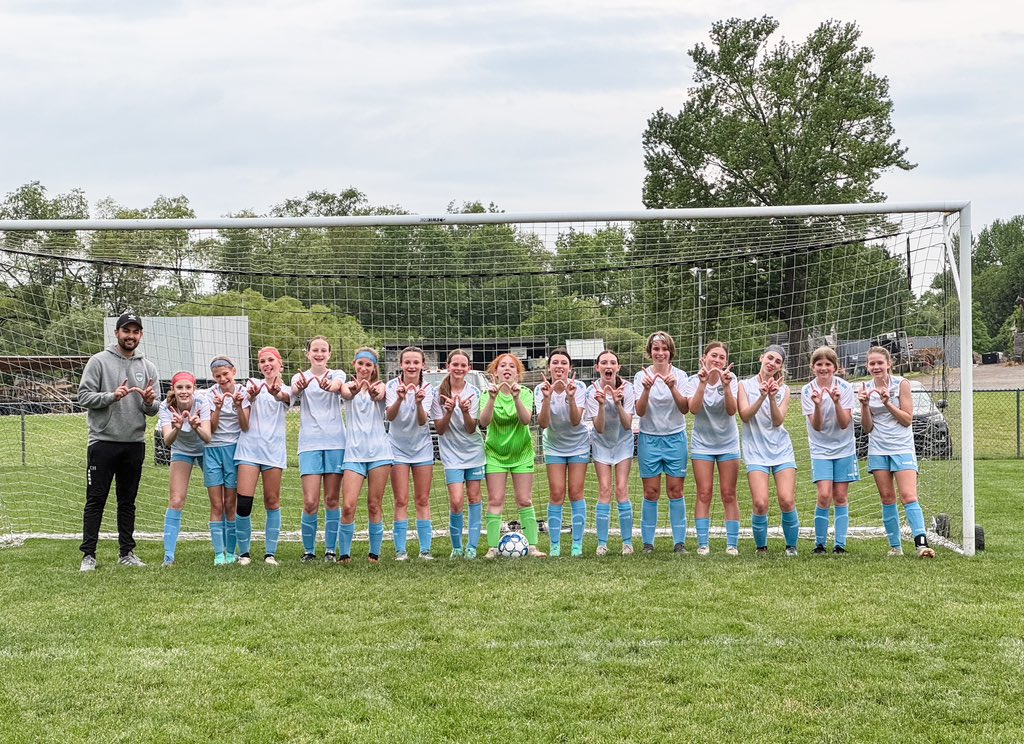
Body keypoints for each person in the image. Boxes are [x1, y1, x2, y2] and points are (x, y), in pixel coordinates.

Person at [78, 312, 159, 572]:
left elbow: (154, 408)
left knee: (128, 501)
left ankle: (127, 552)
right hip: (103, 442)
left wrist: (148, 402)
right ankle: (88, 555)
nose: (131, 336)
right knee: (96, 499)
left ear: (141, 335)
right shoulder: (98, 361)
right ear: (117, 333)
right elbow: (83, 396)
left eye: (136, 332)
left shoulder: (148, 367)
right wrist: (112, 396)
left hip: (134, 443)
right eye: (126, 331)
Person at [858, 346, 936, 558]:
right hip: (878, 449)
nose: (876, 367)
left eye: (879, 363)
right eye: (872, 363)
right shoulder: (865, 387)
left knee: (909, 496)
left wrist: (888, 403)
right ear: (867, 366)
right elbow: (867, 427)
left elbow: (907, 419)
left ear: (889, 364)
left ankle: (921, 544)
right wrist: (864, 405)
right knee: (887, 498)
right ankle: (895, 547)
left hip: (901, 447)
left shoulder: (902, 384)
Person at [479, 353, 545, 558]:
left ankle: (532, 546)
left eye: (512, 367)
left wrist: (516, 398)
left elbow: (526, 420)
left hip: (522, 453)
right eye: (502, 366)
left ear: (518, 373)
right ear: (495, 372)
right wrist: (491, 399)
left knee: (524, 500)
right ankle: (492, 548)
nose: (507, 369)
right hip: (495, 454)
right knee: (495, 500)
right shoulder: (486, 394)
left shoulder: (525, 393)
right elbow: (484, 422)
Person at [737, 344, 800, 557]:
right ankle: (761, 548)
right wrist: (762, 395)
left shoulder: (784, 389)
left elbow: (777, 420)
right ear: (761, 357)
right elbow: (744, 415)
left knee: (787, 500)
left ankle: (791, 547)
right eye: (770, 358)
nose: (772, 363)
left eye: (778, 361)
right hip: (755, 451)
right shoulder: (744, 385)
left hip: (781, 450)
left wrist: (772, 397)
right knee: (760, 502)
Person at [291, 336, 347, 563]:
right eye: (315, 350)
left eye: (323, 350)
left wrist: (330, 386)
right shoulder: (299, 377)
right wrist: (300, 387)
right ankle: (309, 551)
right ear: (308, 354)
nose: (319, 353)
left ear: (329, 354)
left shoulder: (337, 374)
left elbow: (338, 386)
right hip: (309, 444)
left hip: (335, 443)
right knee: (310, 501)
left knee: (332, 499)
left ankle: (330, 550)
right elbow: (292, 392)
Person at [234, 346, 291, 566]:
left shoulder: (288, 388)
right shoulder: (251, 386)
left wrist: (275, 393)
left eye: (270, 360)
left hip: (274, 452)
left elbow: (285, 398)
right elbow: (244, 424)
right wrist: (245, 402)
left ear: (280, 364)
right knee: (244, 503)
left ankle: (270, 553)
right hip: (249, 451)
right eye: (262, 361)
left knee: (272, 501)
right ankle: (245, 553)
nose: (266, 364)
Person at [633, 331, 689, 554]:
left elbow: (685, 408)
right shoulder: (641, 377)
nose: (660, 353)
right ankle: (648, 543)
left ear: (670, 352)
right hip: (649, 438)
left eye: (664, 349)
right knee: (651, 492)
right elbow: (639, 410)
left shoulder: (681, 376)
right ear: (650, 352)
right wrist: (646, 389)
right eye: (656, 349)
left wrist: (673, 386)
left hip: (675, 438)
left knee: (676, 490)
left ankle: (680, 543)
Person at [336, 346, 392, 564]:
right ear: (354, 364)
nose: (364, 368)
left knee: (374, 504)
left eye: (368, 365)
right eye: (361, 364)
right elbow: (347, 393)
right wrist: (358, 389)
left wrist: (370, 391)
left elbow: (379, 395)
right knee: (348, 505)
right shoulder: (347, 386)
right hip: (354, 454)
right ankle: (344, 554)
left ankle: (374, 554)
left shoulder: (381, 386)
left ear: (374, 367)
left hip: (379, 453)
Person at [685, 341, 741, 556]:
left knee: (729, 493)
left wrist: (726, 386)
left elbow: (731, 411)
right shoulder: (693, 380)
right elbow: (693, 409)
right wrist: (702, 384)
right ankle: (703, 544)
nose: (717, 360)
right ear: (704, 357)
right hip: (702, 444)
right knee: (704, 493)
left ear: (725, 362)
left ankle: (732, 544)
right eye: (713, 356)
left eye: (721, 357)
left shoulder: (732, 380)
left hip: (728, 443)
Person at [429, 349, 486, 560]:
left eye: (463, 365)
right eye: (455, 365)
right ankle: (456, 547)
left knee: (474, 497)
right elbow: (440, 429)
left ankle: (471, 547)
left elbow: (472, 428)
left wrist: (464, 411)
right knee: (456, 501)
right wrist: (449, 410)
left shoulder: (475, 392)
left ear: (469, 369)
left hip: (474, 452)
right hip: (451, 455)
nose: (459, 368)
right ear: (448, 366)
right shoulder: (438, 392)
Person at [801, 346, 858, 555]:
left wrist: (836, 402)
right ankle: (820, 544)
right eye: (819, 364)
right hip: (820, 450)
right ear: (812, 367)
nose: (823, 368)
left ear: (836, 367)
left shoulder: (845, 388)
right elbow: (817, 426)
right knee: (824, 494)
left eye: (827, 364)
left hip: (844, 448)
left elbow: (844, 423)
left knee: (840, 496)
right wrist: (817, 405)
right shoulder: (808, 391)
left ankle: (840, 545)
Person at [536, 348, 589, 557]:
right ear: (549, 367)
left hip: (578, 445)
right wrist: (548, 398)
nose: (559, 366)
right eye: (555, 362)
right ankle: (555, 545)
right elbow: (543, 423)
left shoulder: (580, 387)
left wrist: (571, 397)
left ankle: (577, 544)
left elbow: (576, 421)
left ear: (569, 368)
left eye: (563, 363)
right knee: (556, 493)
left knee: (576, 492)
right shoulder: (541, 388)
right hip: (554, 446)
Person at [386, 346, 436, 561]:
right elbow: (390, 416)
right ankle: (401, 551)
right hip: (397, 448)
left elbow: (423, 421)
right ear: (401, 364)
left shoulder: (428, 388)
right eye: (408, 362)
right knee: (401, 500)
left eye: (416, 362)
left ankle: (425, 551)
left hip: (422, 448)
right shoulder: (391, 386)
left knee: (423, 499)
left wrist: (417, 403)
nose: (412, 366)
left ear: (423, 365)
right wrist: (399, 399)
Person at [159, 371, 212, 567]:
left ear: (194, 389)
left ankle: (225, 551)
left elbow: (207, 437)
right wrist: (178, 428)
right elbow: (167, 440)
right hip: (181, 451)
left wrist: (195, 425)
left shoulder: (202, 402)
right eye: (179, 387)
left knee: (219, 500)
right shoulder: (166, 407)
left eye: (187, 387)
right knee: (176, 500)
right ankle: (169, 556)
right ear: (173, 389)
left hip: (205, 450)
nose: (183, 391)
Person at [585, 349, 636, 556]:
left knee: (622, 489)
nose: (608, 366)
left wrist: (617, 402)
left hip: (623, 442)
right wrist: (602, 405)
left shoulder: (628, 388)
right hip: (602, 443)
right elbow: (598, 427)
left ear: (618, 367)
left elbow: (627, 424)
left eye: (612, 362)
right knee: (605, 489)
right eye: (603, 363)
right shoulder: (592, 391)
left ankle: (627, 543)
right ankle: (602, 543)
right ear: (597, 367)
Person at [203, 356, 246, 564]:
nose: (222, 379)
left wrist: (237, 405)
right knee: (216, 504)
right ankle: (219, 553)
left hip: (234, 450)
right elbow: (210, 428)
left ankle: (231, 551)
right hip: (212, 449)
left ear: (234, 372)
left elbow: (246, 426)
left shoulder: (244, 392)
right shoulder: (208, 395)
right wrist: (218, 408)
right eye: (217, 376)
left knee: (231, 503)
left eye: (225, 374)